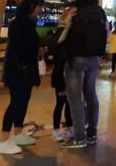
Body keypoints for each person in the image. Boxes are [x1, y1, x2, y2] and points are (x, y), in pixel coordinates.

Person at [61, 0, 109, 149]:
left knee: (75, 99)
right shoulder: (99, 10)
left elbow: (61, 35)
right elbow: (107, 32)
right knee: (91, 94)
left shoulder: (72, 10)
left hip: (76, 58)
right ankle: (92, 134)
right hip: (94, 58)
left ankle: (79, 137)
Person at [0, 0, 44, 155]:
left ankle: (18, 134)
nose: (40, 10)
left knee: (23, 102)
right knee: (16, 102)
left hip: (26, 69)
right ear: (31, 7)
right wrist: (36, 49)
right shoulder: (18, 24)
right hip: (17, 70)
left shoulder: (29, 23)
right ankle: (3, 140)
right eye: (39, 7)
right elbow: (20, 47)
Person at [50, 9, 73, 143]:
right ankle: (57, 130)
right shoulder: (61, 34)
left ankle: (68, 128)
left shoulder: (67, 34)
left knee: (68, 103)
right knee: (61, 103)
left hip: (66, 75)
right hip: (61, 75)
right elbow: (57, 53)